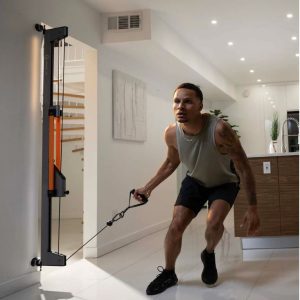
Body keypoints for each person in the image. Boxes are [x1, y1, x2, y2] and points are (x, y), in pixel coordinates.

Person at [134, 83, 260, 295]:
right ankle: (169, 273)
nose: (181, 106)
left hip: (224, 182)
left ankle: (208, 254)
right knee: (176, 225)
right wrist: (148, 188)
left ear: (200, 105)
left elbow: (244, 167)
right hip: (195, 181)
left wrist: (253, 207)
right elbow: (170, 163)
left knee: (213, 222)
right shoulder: (172, 133)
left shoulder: (220, 130)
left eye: (188, 101)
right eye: (177, 101)